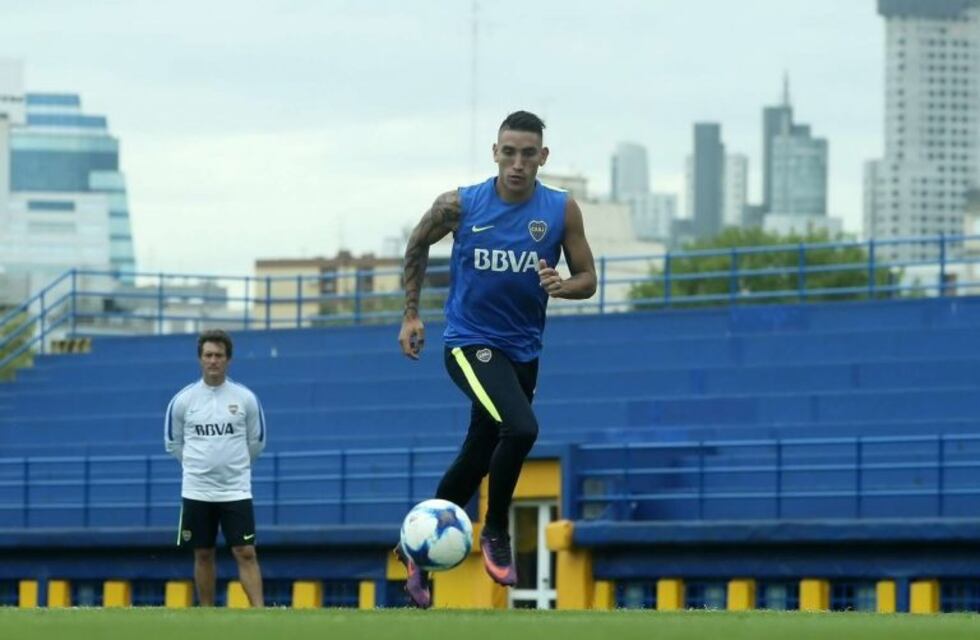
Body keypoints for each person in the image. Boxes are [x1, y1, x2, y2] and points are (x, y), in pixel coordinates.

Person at [395, 110, 597, 608]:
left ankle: (414, 551)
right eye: (509, 153)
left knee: (478, 454)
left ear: (542, 157)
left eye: (528, 154)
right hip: (469, 343)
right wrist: (411, 315)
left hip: (523, 350)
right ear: (495, 153)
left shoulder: (561, 210)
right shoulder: (460, 204)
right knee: (522, 429)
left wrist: (562, 286)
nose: (517, 163)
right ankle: (496, 529)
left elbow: (588, 279)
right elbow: (417, 244)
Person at [165, 329, 267, 607]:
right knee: (203, 553)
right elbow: (173, 443)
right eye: (208, 355)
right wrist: (197, 467)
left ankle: (260, 612)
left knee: (245, 551)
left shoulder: (245, 398)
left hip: (236, 490)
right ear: (200, 358)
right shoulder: (183, 401)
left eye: (219, 355)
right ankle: (206, 612)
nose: (213, 360)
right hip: (197, 490)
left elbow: (257, 441)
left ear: (228, 359)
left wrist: (235, 467)